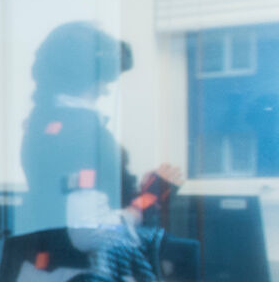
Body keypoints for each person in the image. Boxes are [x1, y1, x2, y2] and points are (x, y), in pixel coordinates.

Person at [12, 21, 185, 280]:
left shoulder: (42, 125)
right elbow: (89, 233)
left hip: (40, 271)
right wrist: (150, 199)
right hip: (77, 272)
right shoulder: (83, 133)